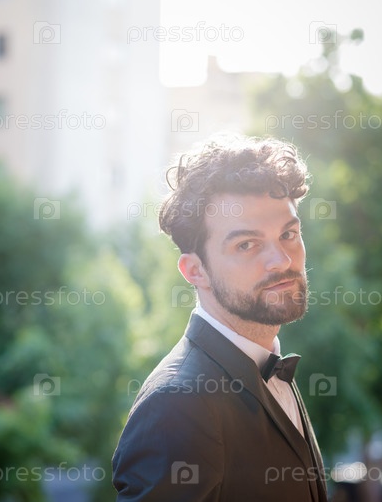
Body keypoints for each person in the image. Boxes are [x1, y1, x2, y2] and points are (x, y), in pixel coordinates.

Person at [112, 134, 328, 501]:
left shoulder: (270, 365)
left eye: (288, 234)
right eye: (247, 244)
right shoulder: (176, 404)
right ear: (195, 271)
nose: (282, 260)